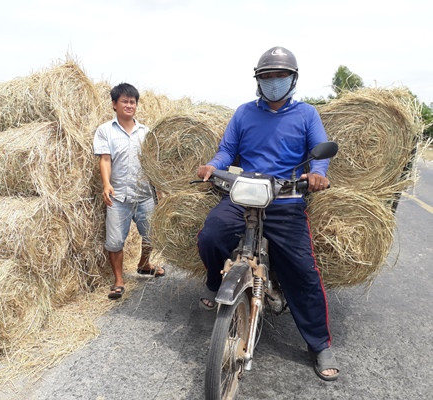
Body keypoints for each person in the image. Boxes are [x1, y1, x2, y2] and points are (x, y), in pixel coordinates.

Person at [196, 47, 339, 381]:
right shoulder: (244, 113)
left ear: (293, 79)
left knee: (303, 271)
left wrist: (317, 173)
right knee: (211, 235)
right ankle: (218, 285)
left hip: (286, 199)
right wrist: (212, 166)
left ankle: (318, 344)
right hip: (244, 195)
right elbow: (227, 150)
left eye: (280, 76)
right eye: (267, 77)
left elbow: (320, 152)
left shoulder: (306, 114)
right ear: (258, 80)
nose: (274, 82)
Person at [93, 82, 165, 301]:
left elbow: (154, 162)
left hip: (144, 194)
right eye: (124, 101)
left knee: (152, 235)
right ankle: (118, 280)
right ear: (114, 104)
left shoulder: (146, 132)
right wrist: (106, 184)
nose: (129, 105)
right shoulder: (105, 130)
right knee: (115, 241)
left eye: (132, 102)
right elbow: (105, 159)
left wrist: (159, 188)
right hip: (119, 196)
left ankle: (144, 264)